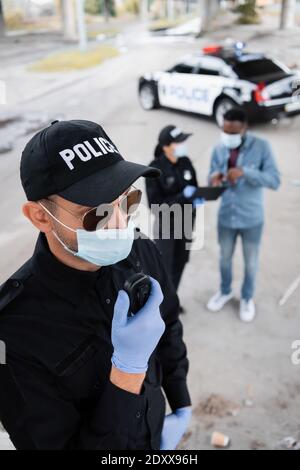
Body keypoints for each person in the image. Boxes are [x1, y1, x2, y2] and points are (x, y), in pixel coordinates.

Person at [0, 119, 192, 450]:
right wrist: (126, 373)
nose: (119, 224)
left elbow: (170, 324)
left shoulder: (140, 249)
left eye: (126, 202)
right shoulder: (14, 332)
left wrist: (180, 397)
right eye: (96, 214)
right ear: (40, 217)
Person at [207, 108, 281, 322]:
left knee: (250, 263)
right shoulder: (218, 148)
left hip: (251, 218)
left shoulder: (262, 147)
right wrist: (215, 178)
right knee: (225, 259)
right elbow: (210, 175)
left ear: (244, 128)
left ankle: (247, 297)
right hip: (226, 217)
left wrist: (246, 172)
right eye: (225, 130)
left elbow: (274, 180)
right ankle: (225, 290)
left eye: (233, 132)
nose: (228, 136)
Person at [146, 125, 203, 311]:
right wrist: (182, 197)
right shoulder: (154, 169)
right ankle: (159, 309)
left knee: (180, 263)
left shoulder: (185, 162)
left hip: (187, 222)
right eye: (179, 142)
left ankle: (171, 303)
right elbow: (155, 205)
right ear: (166, 146)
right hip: (167, 226)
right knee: (164, 269)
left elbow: (194, 185)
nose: (183, 144)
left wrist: (197, 197)